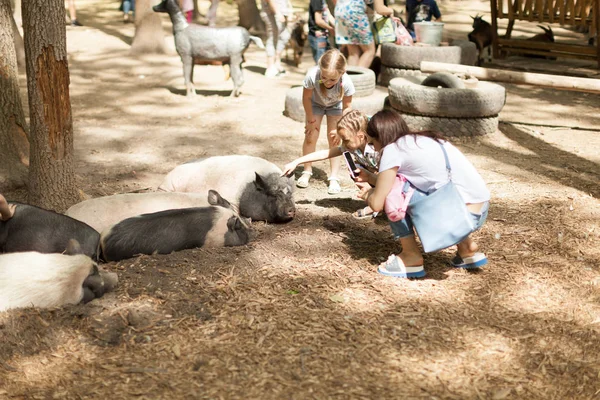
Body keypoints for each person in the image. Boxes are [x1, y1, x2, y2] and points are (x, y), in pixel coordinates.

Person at [356, 109, 490, 278]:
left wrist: (369, 194)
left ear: (380, 137)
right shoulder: (423, 139)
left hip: (459, 217)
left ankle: (410, 255)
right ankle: (466, 248)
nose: (372, 147)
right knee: (405, 184)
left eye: (371, 142)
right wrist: (372, 179)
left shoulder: (392, 149)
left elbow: (377, 203)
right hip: (479, 210)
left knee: (395, 190)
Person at [282, 109, 380, 218]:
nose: (343, 144)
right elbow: (326, 153)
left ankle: (379, 202)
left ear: (361, 136)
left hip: (391, 179)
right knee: (355, 169)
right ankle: (375, 202)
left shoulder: (377, 147)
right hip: (375, 175)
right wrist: (296, 162)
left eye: (346, 139)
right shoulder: (354, 145)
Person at [296, 49, 355, 194]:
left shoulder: (346, 81)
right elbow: (306, 98)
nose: (328, 82)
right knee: (310, 136)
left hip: (335, 106)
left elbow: (347, 107)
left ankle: (334, 177)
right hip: (315, 104)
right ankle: (307, 170)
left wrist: (340, 128)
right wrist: (310, 118)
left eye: (333, 80)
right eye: (324, 77)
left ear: (342, 73)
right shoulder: (312, 75)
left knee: (334, 139)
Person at [334, 0, 394, 68]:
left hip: (341, 10)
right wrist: (391, 11)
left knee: (353, 53)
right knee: (369, 51)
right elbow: (380, 9)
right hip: (355, 12)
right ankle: (359, 78)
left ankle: (349, 77)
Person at [260, 0, 293, 78]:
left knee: (284, 36)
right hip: (271, 13)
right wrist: (278, 12)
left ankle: (277, 64)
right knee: (272, 38)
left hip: (283, 12)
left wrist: (290, 11)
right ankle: (270, 68)